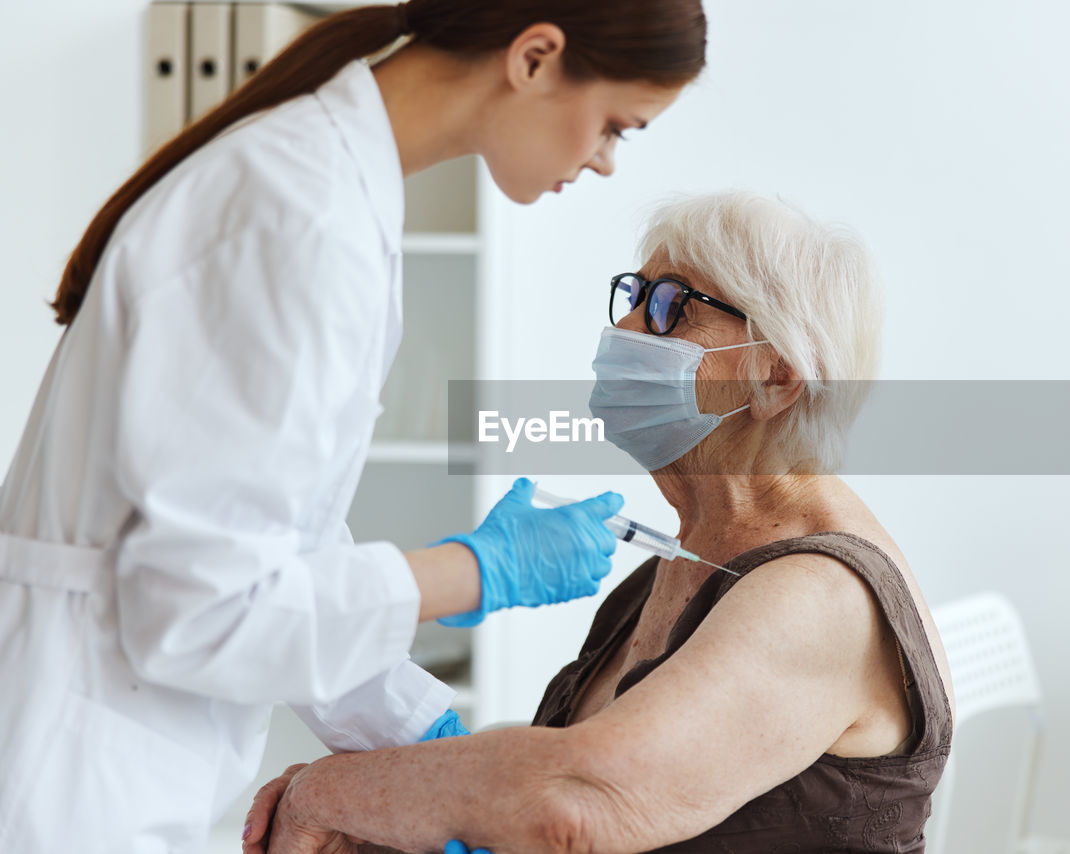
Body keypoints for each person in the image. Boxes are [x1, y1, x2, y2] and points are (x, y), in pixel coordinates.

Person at [0, 2, 706, 850]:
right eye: (614, 126)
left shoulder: (330, 191)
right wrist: (475, 573)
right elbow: (204, 601)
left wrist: (415, 731)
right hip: (73, 784)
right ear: (535, 58)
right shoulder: (299, 213)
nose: (604, 163)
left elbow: (277, 536)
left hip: (107, 756)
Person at [243, 192, 955, 854]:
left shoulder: (819, 595)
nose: (626, 329)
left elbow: (579, 801)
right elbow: (565, 763)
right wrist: (405, 811)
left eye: (673, 307)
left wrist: (331, 795)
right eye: (634, 294)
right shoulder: (681, 561)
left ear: (776, 379)